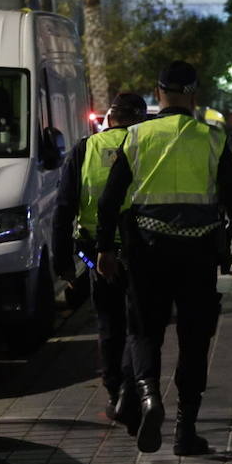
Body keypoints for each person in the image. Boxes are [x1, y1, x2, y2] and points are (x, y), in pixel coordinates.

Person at [95, 61, 232, 455]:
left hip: (147, 252)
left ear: (158, 92)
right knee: (195, 338)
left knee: (144, 331)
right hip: (198, 254)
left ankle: (149, 398)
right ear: (194, 95)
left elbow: (110, 199)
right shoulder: (213, 139)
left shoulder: (134, 137)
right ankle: (186, 430)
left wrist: (104, 249)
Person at [53, 91, 148, 432]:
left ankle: (114, 391)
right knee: (139, 325)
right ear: (140, 119)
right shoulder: (148, 146)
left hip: (97, 254)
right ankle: (132, 388)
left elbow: (64, 207)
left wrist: (63, 261)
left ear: (110, 118)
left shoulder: (85, 148)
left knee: (109, 324)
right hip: (142, 250)